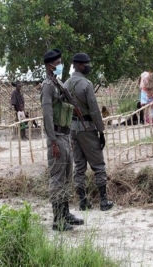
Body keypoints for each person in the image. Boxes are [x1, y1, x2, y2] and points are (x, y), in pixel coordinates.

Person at [40, 49, 84, 231]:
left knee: (66, 177)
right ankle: (58, 219)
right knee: (57, 179)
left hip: (64, 135)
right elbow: (47, 116)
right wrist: (53, 141)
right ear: (50, 65)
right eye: (58, 63)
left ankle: (65, 214)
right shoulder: (48, 86)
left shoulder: (57, 84)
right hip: (56, 137)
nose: (60, 66)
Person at [64, 52, 114, 212]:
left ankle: (83, 201)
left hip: (72, 128)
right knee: (98, 165)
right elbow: (94, 110)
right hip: (87, 128)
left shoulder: (65, 84)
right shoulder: (86, 84)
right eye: (87, 64)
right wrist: (101, 132)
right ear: (80, 65)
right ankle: (104, 201)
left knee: (79, 166)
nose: (88, 66)